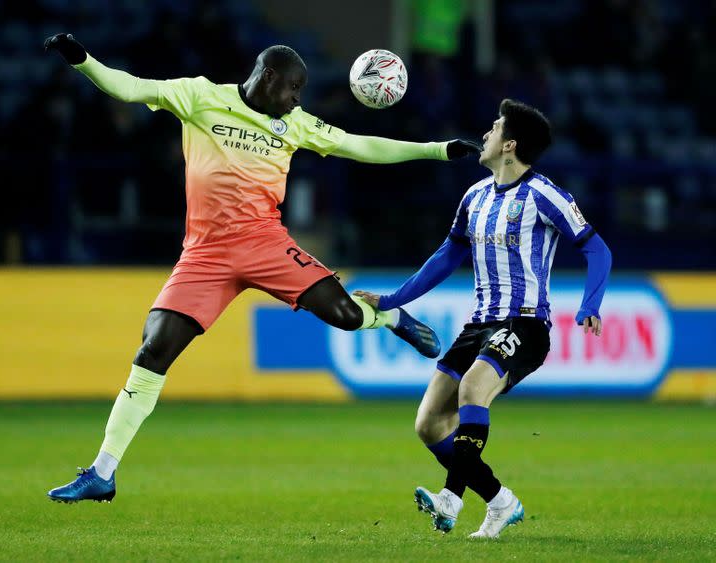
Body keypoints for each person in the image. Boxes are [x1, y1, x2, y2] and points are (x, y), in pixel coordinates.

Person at [43, 33, 482, 503]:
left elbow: (361, 146)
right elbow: (127, 87)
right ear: (269, 77)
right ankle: (102, 473)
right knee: (153, 350)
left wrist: (437, 149)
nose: (297, 99)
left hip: (265, 243)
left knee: (347, 316)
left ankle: (392, 318)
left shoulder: (295, 123)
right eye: (294, 88)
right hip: (205, 254)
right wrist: (81, 58)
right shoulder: (200, 96)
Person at [354, 99, 612, 538]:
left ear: (509, 145)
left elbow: (597, 249)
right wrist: (393, 299)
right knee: (430, 424)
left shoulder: (544, 194)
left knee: (474, 387)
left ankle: (450, 499)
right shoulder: (474, 196)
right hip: (478, 325)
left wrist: (590, 304)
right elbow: (445, 257)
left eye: (494, 127)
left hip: (526, 324)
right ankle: (500, 501)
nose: (486, 133)